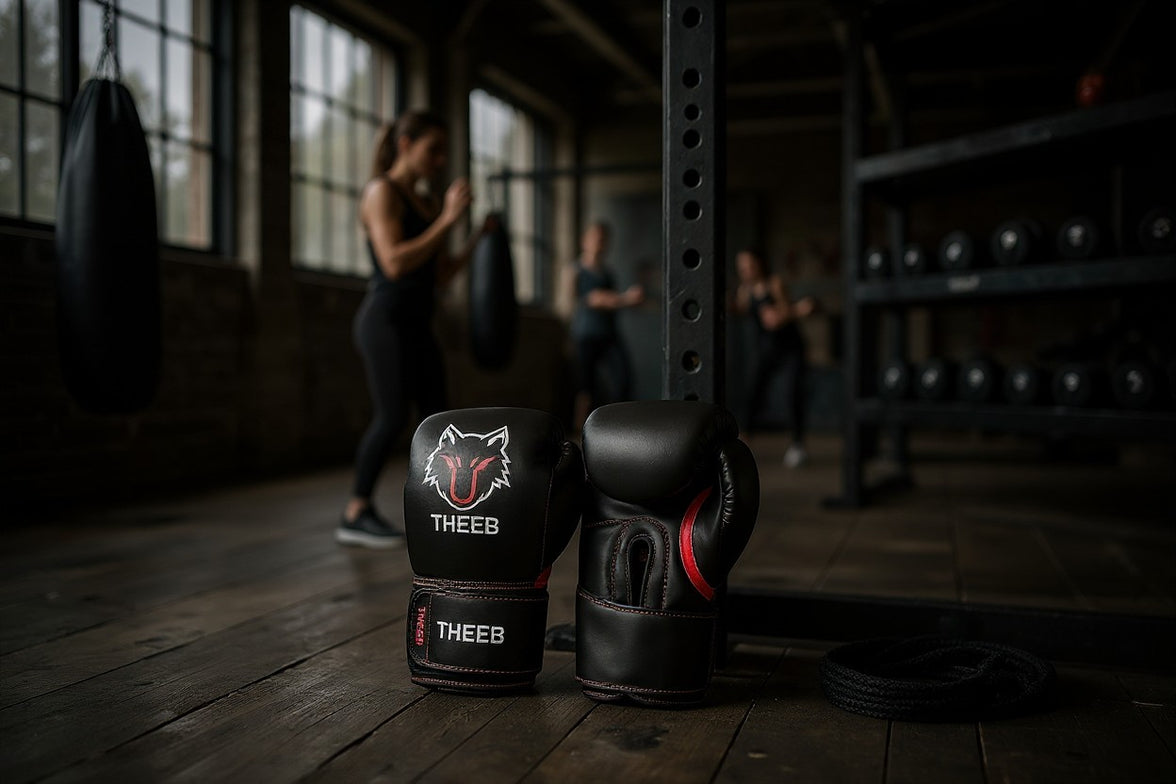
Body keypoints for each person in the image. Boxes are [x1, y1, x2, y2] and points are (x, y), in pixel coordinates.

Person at [337, 110, 492, 548]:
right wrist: (447, 220)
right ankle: (355, 511)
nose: (440, 160)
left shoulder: (424, 202)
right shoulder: (381, 192)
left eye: (443, 152)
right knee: (391, 417)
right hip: (384, 321)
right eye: (433, 150)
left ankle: (444, 509)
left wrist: (475, 238)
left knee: (438, 420)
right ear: (405, 144)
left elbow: (439, 275)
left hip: (418, 324)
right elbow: (394, 263)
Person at [733, 247, 816, 468]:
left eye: (749, 265)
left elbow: (786, 310)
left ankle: (797, 445)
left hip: (790, 349)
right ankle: (743, 442)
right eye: (742, 267)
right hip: (765, 350)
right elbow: (741, 310)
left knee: (793, 393)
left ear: (759, 264)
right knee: (753, 392)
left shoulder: (774, 283)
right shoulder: (744, 291)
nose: (746, 270)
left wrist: (783, 314)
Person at [570, 222, 645, 431]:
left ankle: (618, 427)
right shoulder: (578, 271)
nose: (600, 243)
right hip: (586, 336)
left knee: (623, 379)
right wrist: (626, 299)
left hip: (609, 335)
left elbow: (614, 303)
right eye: (596, 238)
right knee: (585, 388)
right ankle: (580, 432)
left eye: (603, 240)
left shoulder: (608, 274)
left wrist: (632, 301)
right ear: (585, 241)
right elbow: (595, 299)